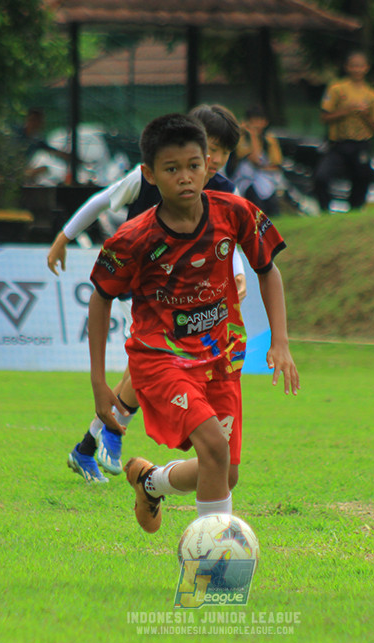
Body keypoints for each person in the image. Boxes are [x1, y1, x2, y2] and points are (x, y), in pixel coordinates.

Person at [88, 113, 299, 533]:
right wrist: (98, 381)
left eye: (194, 166)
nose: (185, 178)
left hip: (220, 358)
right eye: (172, 169)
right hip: (161, 359)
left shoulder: (234, 212)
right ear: (149, 174)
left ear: (208, 164)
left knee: (223, 470)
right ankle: (211, 562)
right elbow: (101, 297)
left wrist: (280, 341)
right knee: (214, 447)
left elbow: (267, 269)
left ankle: (151, 482)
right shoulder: (134, 238)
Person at [48, 104, 245, 485]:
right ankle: (108, 437)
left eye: (223, 151)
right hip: (144, 287)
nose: (215, 158)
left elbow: (230, 238)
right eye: (212, 147)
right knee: (148, 364)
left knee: (148, 367)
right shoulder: (151, 175)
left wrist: (237, 274)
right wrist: (64, 237)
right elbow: (102, 201)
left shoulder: (223, 191)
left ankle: (89, 446)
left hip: (189, 299)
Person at [313, 51, 374, 213]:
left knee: (363, 178)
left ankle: (354, 212)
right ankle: (324, 210)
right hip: (338, 143)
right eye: (353, 66)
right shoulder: (336, 89)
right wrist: (347, 110)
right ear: (347, 68)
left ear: (366, 68)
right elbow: (324, 117)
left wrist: (364, 115)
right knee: (321, 177)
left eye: (360, 66)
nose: (357, 70)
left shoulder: (372, 94)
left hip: (361, 144)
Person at [233, 105, 283, 216]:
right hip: (245, 180)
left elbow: (276, 164)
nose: (257, 124)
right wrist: (253, 135)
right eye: (253, 121)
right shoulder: (241, 138)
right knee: (257, 205)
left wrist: (262, 168)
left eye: (260, 121)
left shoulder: (269, 139)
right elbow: (255, 159)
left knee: (273, 205)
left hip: (266, 179)